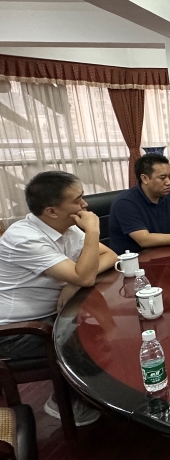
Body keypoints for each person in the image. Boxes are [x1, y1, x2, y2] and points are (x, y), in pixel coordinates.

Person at [0, 171, 117, 426]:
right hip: (15, 333)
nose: (85, 205)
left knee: (105, 331)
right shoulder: (24, 238)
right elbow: (85, 276)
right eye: (77, 200)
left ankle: (92, 394)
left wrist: (73, 283)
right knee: (88, 343)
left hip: (52, 314)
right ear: (51, 211)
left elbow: (110, 256)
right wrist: (93, 231)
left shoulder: (66, 229)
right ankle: (65, 401)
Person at [108, 153, 170, 254]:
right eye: (162, 178)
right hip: (135, 259)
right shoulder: (125, 203)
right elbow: (144, 240)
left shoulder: (169, 196)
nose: (169, 182)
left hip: (163, 253)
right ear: (145, 179)